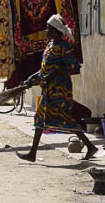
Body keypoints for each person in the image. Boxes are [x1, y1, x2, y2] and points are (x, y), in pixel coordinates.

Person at [18, 15, 96, 162]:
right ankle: (33, 153)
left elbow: (74, 68)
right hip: (49, 90)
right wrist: (32, 77)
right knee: (40, 119)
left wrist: (56, 73)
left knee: (64, 119)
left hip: (60, 91)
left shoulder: (63, 48)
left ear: (55, 31)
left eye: (48, 28)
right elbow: (45, 69)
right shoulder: (50, 46)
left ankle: (90, 146)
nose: (46, 30)